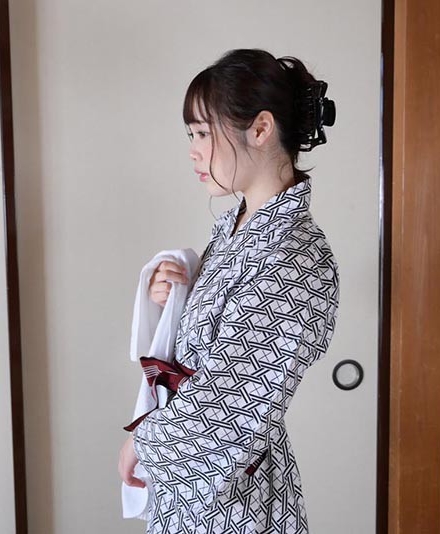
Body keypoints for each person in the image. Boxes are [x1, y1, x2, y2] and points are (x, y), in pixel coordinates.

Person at [117, 48, 340, 533]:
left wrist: (146, 443)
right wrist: (176, 295)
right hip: (207, 490)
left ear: (260, 129)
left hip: (236, 499)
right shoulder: (237, 228)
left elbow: (235, 401)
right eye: (191, 135)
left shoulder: (295, 254)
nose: (193, 150)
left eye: (202, 133)